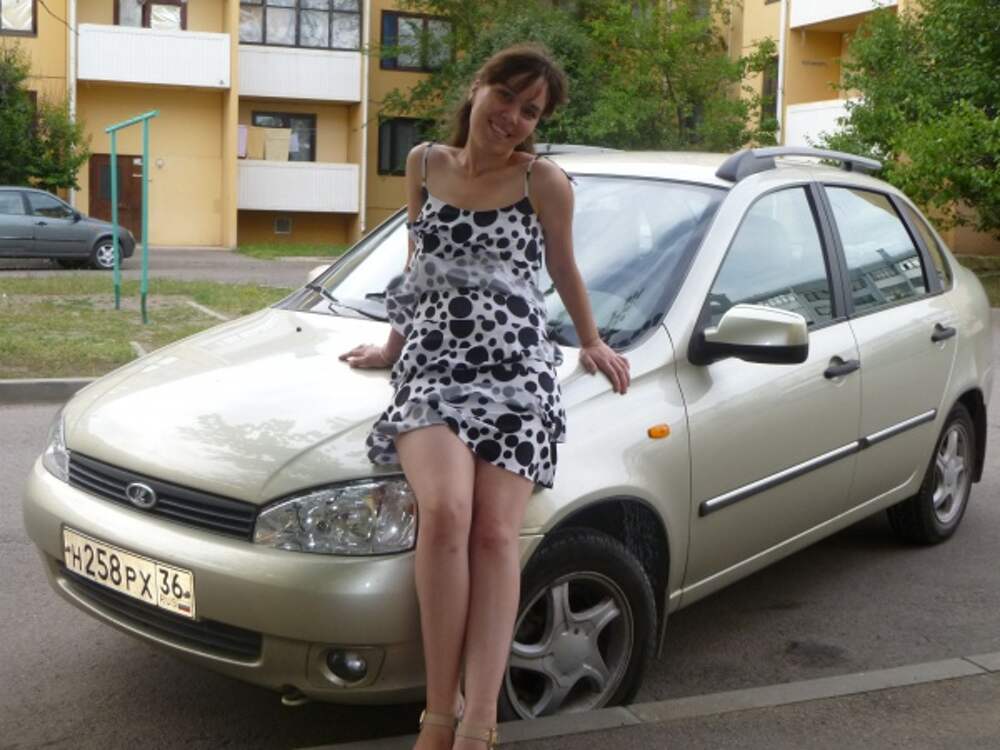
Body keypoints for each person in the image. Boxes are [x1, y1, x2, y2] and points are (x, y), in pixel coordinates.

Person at [339, 43, 630, 750]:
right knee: (444, 514)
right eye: (508, 96)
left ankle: (480, 721)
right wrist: (393, 346)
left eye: (531, 111)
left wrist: (590, 340)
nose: (514, 117)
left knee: (496, 534)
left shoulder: (541, 180)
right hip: (434, 364)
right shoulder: (423, 164)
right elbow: (419, 265)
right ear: (479, 88)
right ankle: (439, 712)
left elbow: (563, 265)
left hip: (516, 368)